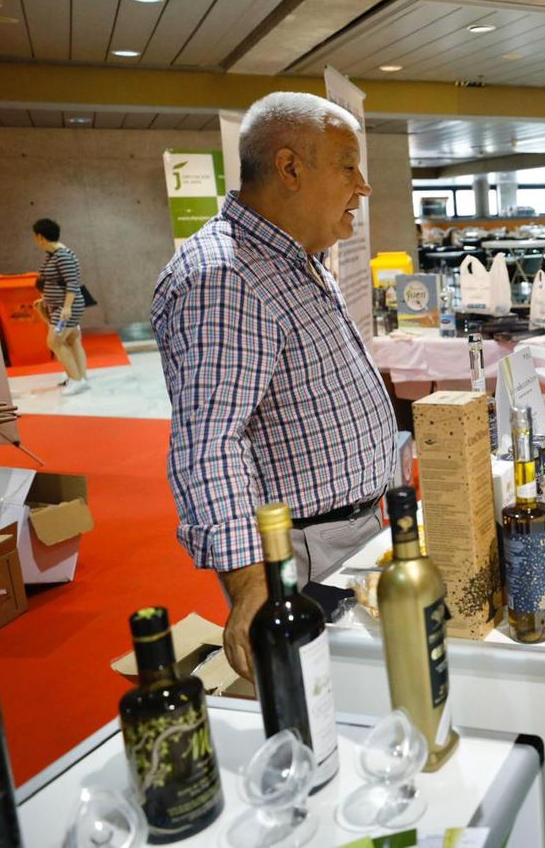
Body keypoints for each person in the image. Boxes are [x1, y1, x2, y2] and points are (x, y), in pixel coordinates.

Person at [151, 91, 397, 681]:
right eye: (347, 164)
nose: (361, 186)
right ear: (289, 168)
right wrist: (251, 584)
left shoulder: (296, 258)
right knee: (331, 705)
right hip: (305, 555)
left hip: (350, 531)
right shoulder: (224, 278)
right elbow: (211, 441)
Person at [32, 219, 89, 395]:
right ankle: (80, 376)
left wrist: (66, 308)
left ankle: (77, 380)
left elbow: (72, 283)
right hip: (58, 307)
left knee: (54, 342)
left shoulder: (63, 255)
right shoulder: (53, 254)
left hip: (66, 309)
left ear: (41, 237)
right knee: (72, 340)